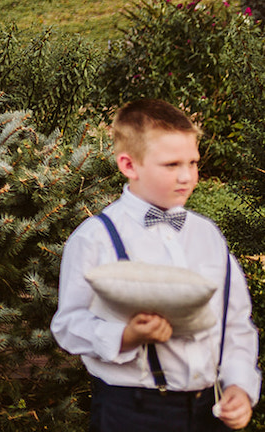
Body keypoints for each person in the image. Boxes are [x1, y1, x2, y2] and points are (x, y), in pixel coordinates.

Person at [52, 99, 259, 431]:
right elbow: (68, 326)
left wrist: (240, 385)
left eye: (193, 163)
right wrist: (126, 336)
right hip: (132, 411)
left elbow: (235, 323)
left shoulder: (207, 235)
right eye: (171, 164)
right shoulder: (95, 238)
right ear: (129, 165)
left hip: (209, 408)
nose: (187, 176)